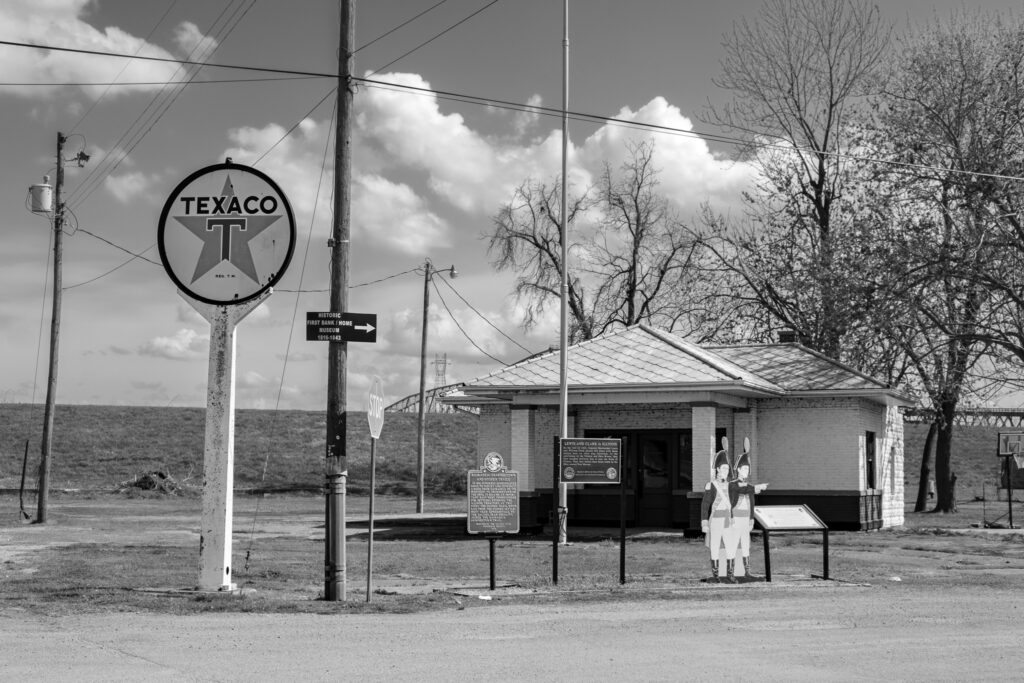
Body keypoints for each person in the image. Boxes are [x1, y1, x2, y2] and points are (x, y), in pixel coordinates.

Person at [700, 449, 738, 583]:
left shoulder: (730, 486)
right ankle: (716, 575)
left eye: (727, 468)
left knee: (730, 546)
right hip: (715, 520)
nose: (726, 471)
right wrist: (704, 523)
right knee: (714, 546)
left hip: (727, 520)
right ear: (717, 469)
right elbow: (705, 505)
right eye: (723, 468)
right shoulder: (711, 485)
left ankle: (730, 574)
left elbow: (732, 504)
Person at [729, 452, 768, 580]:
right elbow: (742, 488)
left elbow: (751, 503)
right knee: (733, 544)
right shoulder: (733, 484)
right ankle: (730, 572)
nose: (747, 471)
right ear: (739, 470)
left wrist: (751, 519)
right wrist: (757, 487)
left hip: (746, 520)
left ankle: (747, 572)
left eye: (748, 469)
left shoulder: (748, 486)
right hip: (735, 519)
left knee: (746, 545)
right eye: (745, 468)